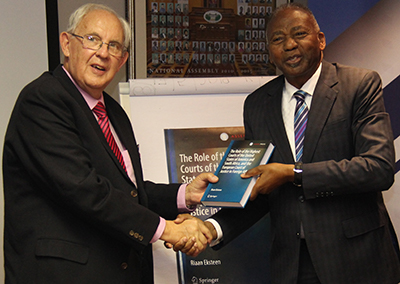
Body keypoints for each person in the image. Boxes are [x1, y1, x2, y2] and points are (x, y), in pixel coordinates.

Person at [173, 3, 400, 284]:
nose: (289, 45)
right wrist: (210, 227)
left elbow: (378, 168)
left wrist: (293, 173)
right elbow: (258, 190)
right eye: (278, 39)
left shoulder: (359, 85)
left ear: (321, 40)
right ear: (270, 52)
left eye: (299, 34)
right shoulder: (257, 105)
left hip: (358, 261)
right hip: (293, 266)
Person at [2, 4, 215, 284]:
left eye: (114, 46)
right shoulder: (42, 100)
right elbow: (85, 190)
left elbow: (125, 192)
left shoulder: (113, 112)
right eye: (92, 39)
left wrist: (184, 195)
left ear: (123, 59)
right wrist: (167, 230)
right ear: (67, 44)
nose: (103, 52)